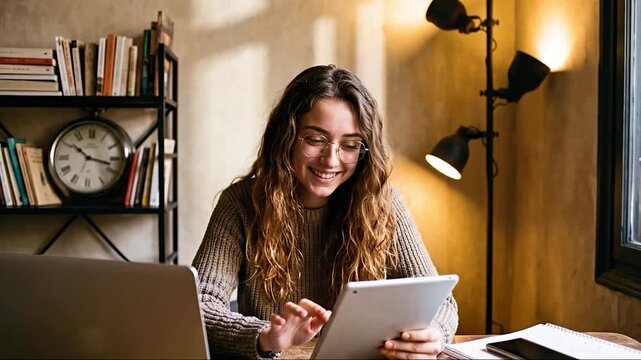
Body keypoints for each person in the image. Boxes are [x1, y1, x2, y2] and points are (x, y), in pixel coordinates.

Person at [192, 64, 458, 359]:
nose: (331, 159)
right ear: (287, 136)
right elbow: (199, 306)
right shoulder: (241, 203)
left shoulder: (383, 202)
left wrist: (434, 333)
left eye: (350, 145)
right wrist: (266, 337)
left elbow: (441, 302)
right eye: (316, 139)